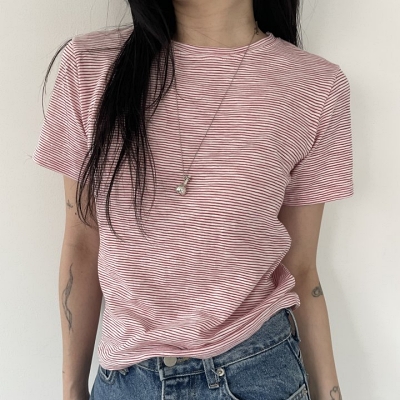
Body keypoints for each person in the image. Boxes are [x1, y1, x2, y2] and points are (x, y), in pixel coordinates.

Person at [32, 1, 353, 399]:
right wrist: (71, 389)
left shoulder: (316, 86)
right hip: (127, 382)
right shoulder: (89, 67)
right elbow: (82, 243)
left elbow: (301, 268)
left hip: (259, 372)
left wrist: (330, 392)